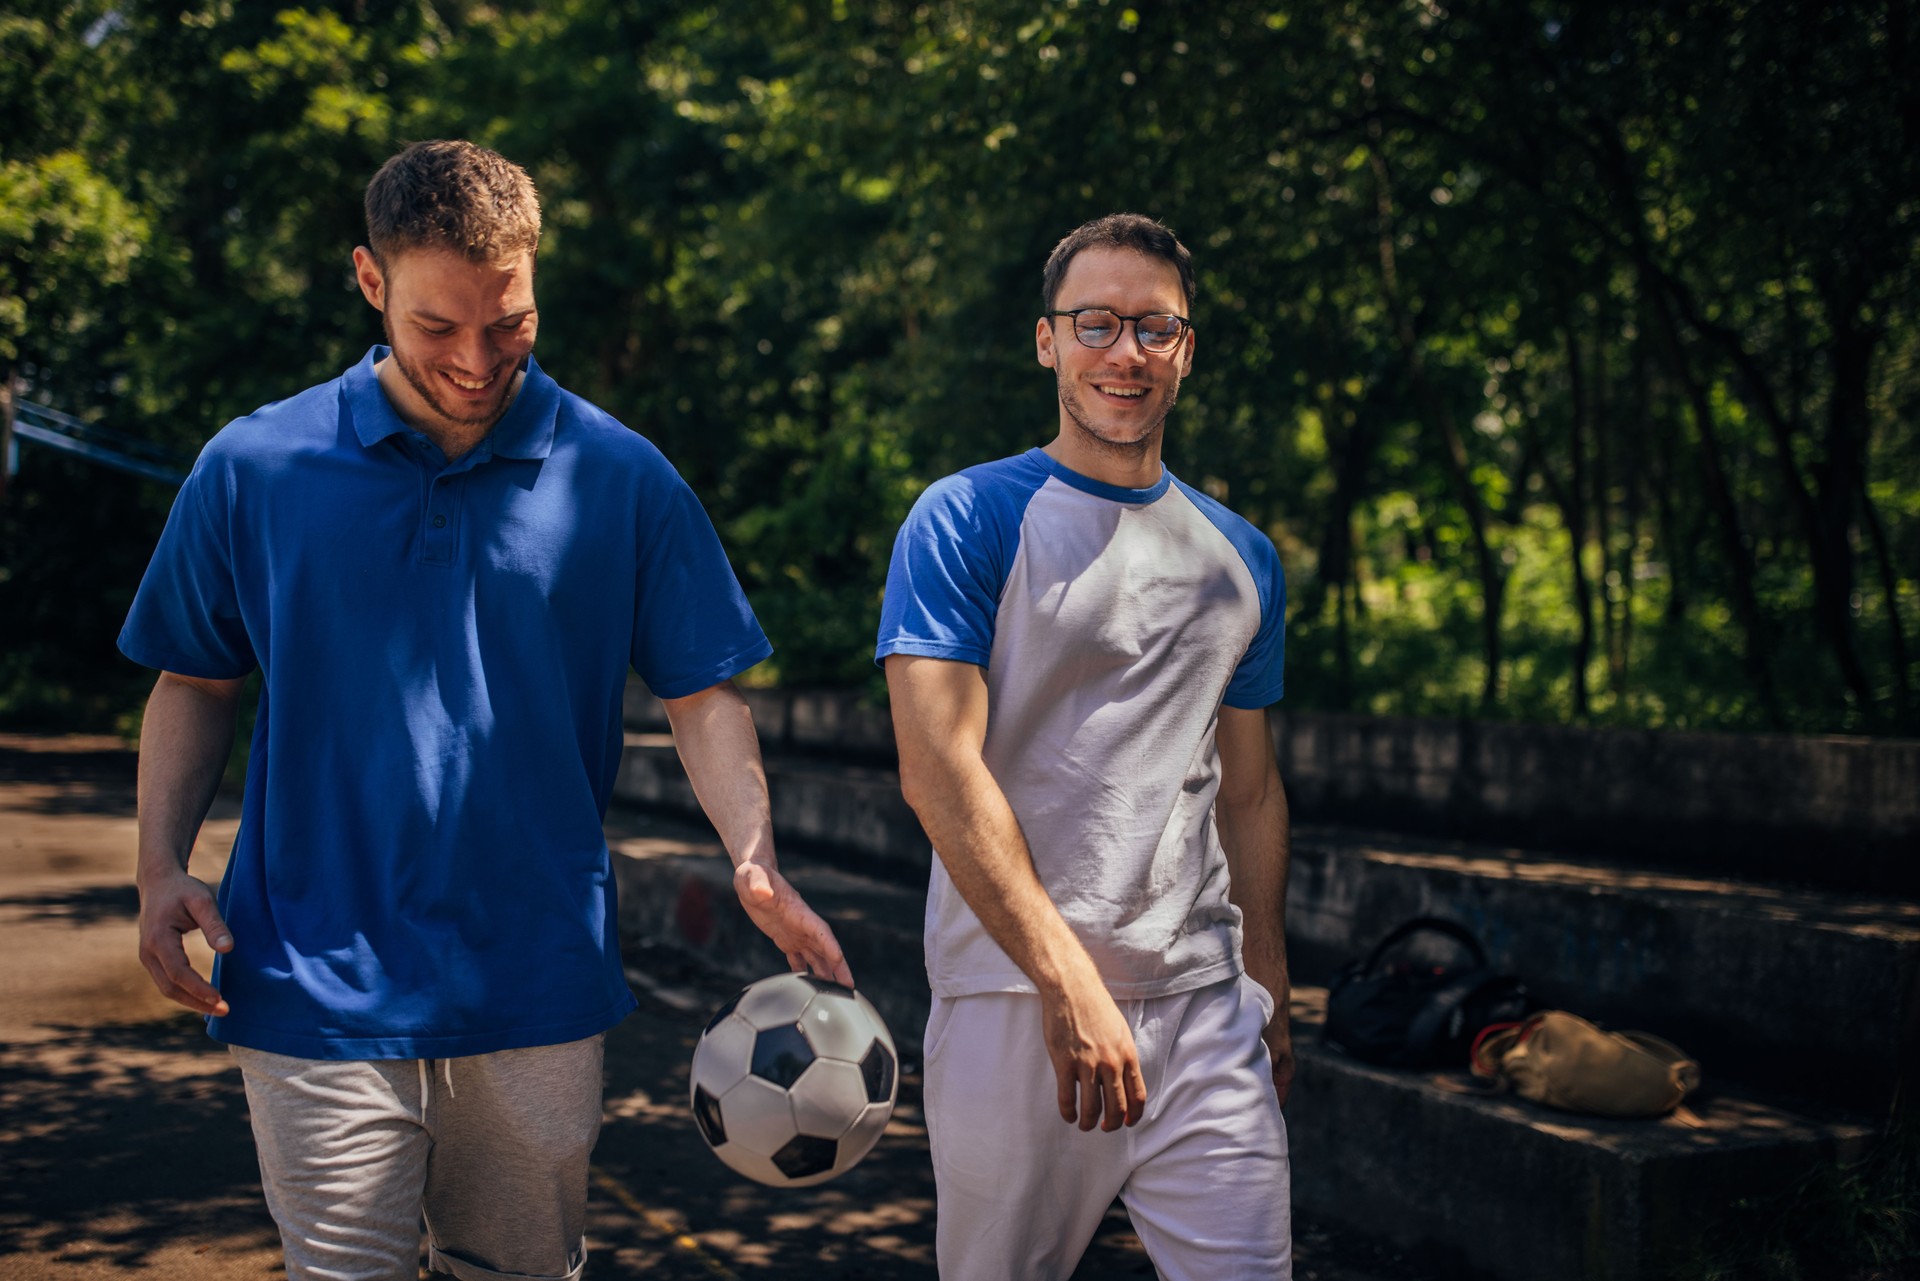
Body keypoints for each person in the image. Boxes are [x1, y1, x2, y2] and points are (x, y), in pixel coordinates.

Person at [121, 139, 849, 1281]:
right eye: (436, 326)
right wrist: (160, 866)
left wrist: (752, 857)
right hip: (311, 974)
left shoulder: (623, 475)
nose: (476, 359)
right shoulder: (251, 469)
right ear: (371, 282)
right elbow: (194, 681)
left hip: (536, 975)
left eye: (509, 322)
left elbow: (703, 694)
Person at [875, 212, 1294, 1279]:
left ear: (1186, 349)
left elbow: (1247, 794)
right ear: (1047, 340)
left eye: (1155, 328)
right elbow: (936, 771)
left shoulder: (1240, 558)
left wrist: (1268, 983)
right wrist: (1068, 985)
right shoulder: (966, 518)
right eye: (1096, 323)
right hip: (1017, 1003)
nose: (1126, 352)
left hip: (1203, 1006)